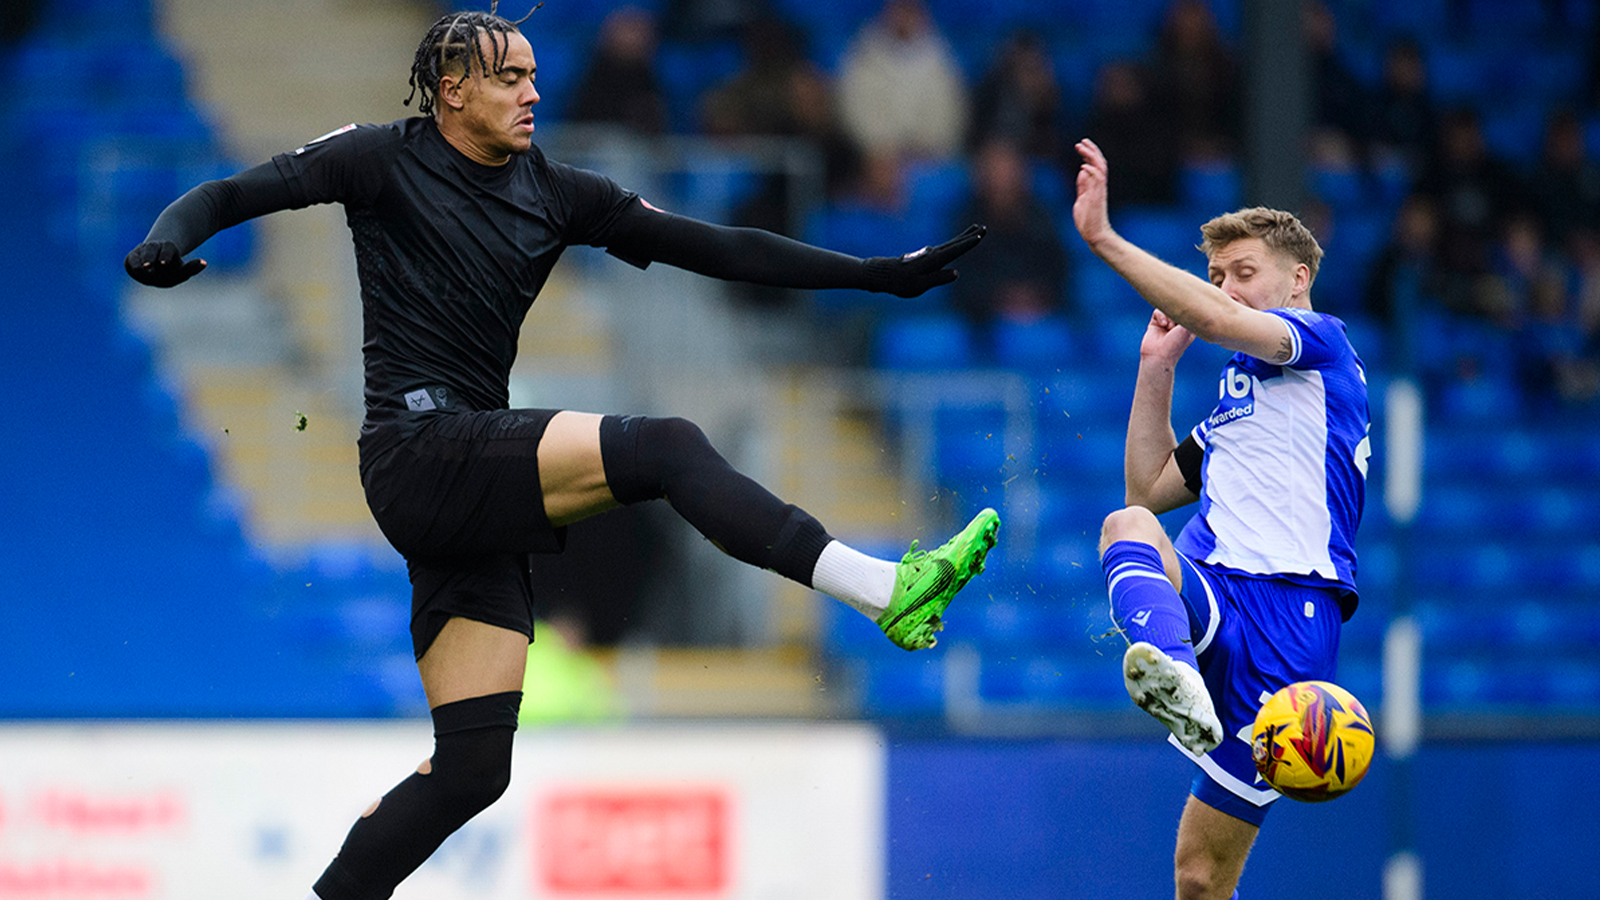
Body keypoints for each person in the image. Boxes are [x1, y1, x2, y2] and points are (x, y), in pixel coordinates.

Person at [123, 9, 1000, 900]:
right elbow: (232, 195)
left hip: (468, 486)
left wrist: (872, 272)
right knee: (665, 447)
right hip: (418, 450)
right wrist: (168, 237)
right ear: (453, 90)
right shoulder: (379, 157)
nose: (534, 93)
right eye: (510, 79)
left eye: (536, 75)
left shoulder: (557, 190)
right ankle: (883, 589)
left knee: (472, 770)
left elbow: (718, 248)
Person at [1071, 137, 1369, 900]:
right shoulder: (1240, 403)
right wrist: (1156, 369)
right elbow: (1148, 486)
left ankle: (1175, 672)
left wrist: (1105, 240)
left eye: (1244, 274)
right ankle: (1172, 670)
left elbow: (1220, 322)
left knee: (1203, 878)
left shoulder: (1320, 346)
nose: (1225, 289)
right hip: (1215, 590)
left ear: (1298, 280)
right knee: (1126, 525)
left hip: (1288, 617)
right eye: (1217, 277)